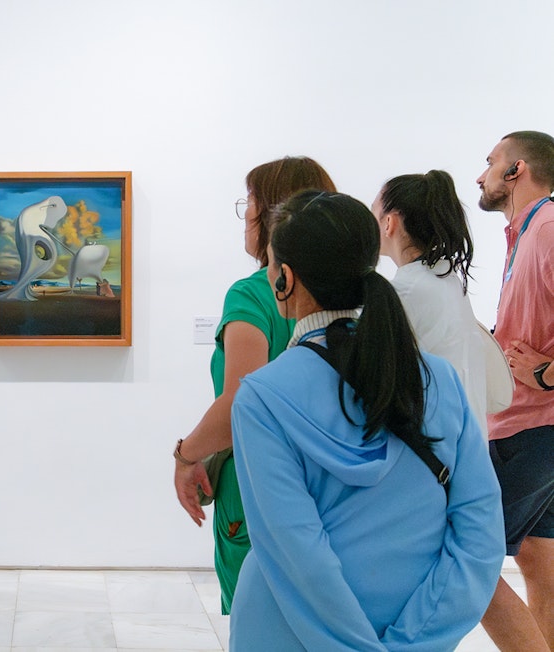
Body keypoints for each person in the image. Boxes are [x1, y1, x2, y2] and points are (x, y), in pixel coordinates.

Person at [227, 190, 504, 650]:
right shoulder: (439, 381)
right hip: (412, 627)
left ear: (285, 281)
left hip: (284, 631)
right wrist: (412, 639)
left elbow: (296, 554)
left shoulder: (262, 397)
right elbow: (480, 534)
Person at [173, 156, 336, 613]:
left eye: (250, 202)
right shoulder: (354, 295)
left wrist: (185, 454)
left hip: (261, 489)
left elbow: (240, 403)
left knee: (262, 624)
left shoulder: (251, 294)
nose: (244, 213)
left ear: (272, 215)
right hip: (330, 488)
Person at [475, 130, 554, 651]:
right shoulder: (526, 232)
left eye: (489, 162)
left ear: (516, 170)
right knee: (539, 563)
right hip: (532, 428)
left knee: (465, 564)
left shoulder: (547, 229)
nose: (479, 175)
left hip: (531, 430)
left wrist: (546, 374)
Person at [372, 170, 512, 437]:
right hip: (465, 447)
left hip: (435, 453)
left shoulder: (407, 291)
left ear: (389, 223)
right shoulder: (446, 280)